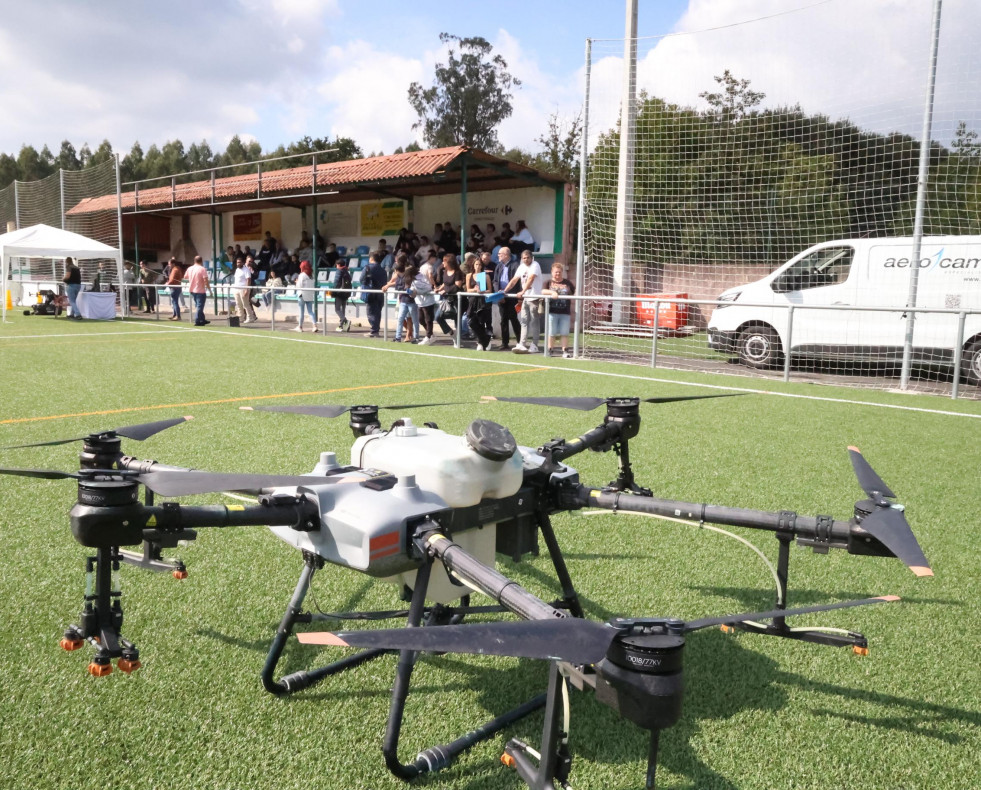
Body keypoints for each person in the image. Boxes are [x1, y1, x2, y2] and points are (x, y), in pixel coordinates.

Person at [505, 250, 543, 354]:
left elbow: (531, 279)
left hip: (534, 297)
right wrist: (505, 290)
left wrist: (522, 291)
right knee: (524, 321)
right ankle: (522, 343)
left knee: (534, 322)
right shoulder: (521, 267)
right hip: (526, 298)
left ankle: (535, 345)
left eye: (527, 258)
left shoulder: (535, 265)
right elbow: (514, 280)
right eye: (524, 258)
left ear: (531, 257)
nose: (526, 260)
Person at [542, 261, 575, 357]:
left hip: (565, 311)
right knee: (551, 332)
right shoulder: (548, 282)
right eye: (556, 272)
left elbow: (573, 292)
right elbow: (543, 291)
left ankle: (565, 350)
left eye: (559, 272)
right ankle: (550, 349)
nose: (557, 274)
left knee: (564, 332)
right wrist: (551, 293)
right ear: (552, 272)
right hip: (552, 311)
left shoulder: (567, 283)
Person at [493, 246, 521, 350]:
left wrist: (507, 292)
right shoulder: (498, 266)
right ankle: (505, 343)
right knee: (503, 320)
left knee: (513, 319)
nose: (498, 255)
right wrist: (499, 294)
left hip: (511, 296)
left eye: (500, 254)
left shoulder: (515, 265)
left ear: (506, 255)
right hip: (501, 296)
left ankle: (520, 341)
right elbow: (495, 281)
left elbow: (516, 282)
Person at [433, 253, 465, 341]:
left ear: (449, 262)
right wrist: (439, 289)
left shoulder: (458, 273)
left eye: (444, 261)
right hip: (446, 300)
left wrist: (446, 291)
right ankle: (451, 332)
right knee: (438, 317)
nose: (442, 263)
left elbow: (457, 285)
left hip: (456, 300)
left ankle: (458, 339)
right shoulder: (445, 272)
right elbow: (445, 283)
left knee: (457, 319)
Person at [466, 252, 493, 351]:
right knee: (472, 322)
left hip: (483, 302)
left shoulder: (485, 276)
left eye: (480, 265)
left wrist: (482, 291)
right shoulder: (469, 275)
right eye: (476, 264)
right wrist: (475, 290)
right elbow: (468, 289)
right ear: (473, 265)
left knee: (484, 322)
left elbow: (490, 290)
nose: (478, 266)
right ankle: (484, 340)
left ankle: (483, 342)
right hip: (473, 301)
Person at [360, 250, 388, 338]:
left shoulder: (368, 267)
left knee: (371, 312)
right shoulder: (383, 270)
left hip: (370, 293)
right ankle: (376, 330)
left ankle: (374, 331)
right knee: (377, 312)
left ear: (371, 258)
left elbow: (361, 279)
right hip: (380, 293)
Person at [186, 255, 210, 326]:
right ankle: (197, 320)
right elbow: (205, 280)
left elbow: (185, 276)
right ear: (201, 261)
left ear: (194, 261)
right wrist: (210, 289)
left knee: (198, 306)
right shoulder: (202, 269)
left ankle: (202, 319)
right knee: (200, 306)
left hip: (192, 290)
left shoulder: (190, 268)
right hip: (200, 290)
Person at [232, 256, 257, 324]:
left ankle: (250, 318)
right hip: (236, 289)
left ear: (243, 263)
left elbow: (248, 280)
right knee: (238, 304)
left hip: (243, 289)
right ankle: (241, 317)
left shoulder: (246, 270)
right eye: (237, 262)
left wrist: (246, 289)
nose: (238, 264)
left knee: (245, 304)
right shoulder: (237, 270)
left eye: (239, 262)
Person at [331, 258, 353, 331]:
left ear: (338, 265)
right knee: (343, 308)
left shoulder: (339, 271)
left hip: (340, 293)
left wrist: (333, 291)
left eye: (336, 265)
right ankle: (341, 326)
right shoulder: (346, 271)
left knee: (337, 309)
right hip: (346, 292)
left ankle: (345, 321)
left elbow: (336, 282)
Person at [294, 260, 316, 332]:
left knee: (301, 312)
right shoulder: (312, 275)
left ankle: (300, 327)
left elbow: (299, 286)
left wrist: (296, 282)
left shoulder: (302, 275)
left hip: (302, 295)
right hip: (309, 295)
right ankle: (314, 325)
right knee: (310, 311)